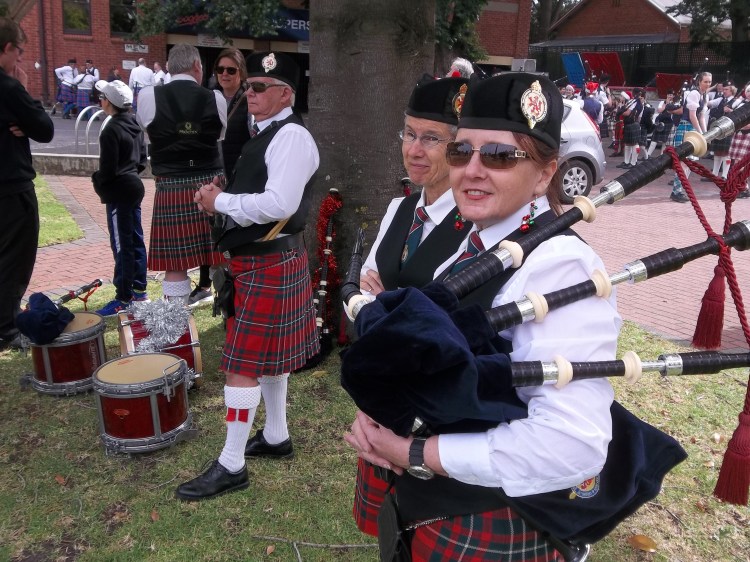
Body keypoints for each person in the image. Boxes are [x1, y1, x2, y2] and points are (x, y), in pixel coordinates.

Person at [345, 72, 621, 561]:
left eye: (498, 155)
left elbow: (571, 444)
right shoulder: (472, 243)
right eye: (461, 151)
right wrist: (382, 408)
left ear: (545, 174)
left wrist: (414, 453)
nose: (471, 170)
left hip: (486, 512)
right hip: (426, 497)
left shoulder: (560, 267)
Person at [174, 51, 320, 501]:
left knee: (242, 366)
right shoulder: (267, 132)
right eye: (249, 86)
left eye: (260, 87)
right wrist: (225, 193)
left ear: (286, 94)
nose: (249, 93)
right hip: (261, 261)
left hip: (270, 262)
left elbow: (280, 204)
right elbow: (263, 192)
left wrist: (221, 203)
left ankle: (231, 464)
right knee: (267, 359)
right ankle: (276, 436)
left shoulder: (291, 136)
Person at [354, 74, 471, 529]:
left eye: (431, 139)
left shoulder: (475, 225)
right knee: (388, 524)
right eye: (409, 134)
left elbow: (444, 323)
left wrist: (383, 303)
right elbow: (362, 292)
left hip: (434, 407)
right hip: (383, 388)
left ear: (458, 147)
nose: (414, 150)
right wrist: (389, 306)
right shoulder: (399, 208)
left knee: (428, 525)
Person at [135, 43, 227, 308]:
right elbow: (219, 135)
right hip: (211, 186)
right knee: (222, 255)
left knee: (175, 264)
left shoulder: (148, 96)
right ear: (197, 66)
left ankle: (175, 321)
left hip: (171, 186)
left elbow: (147, 129)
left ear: (169, 67)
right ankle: (229, 314)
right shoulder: (216, 98)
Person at [0, 17, 55, 350]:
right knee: (14, 258)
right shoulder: (9, 87)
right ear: (7, 48)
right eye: (19, 52)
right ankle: (7, 327)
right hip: (11, 185)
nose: (20, 59)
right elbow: (45, 129)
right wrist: (22, 90)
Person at [184, 48, 253, 308]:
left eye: (231, 70)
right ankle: (208, 286)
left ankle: (236, 292)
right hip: (210, 173)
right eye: (220, 69)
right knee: (210, 232)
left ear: (241, 72)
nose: (224, 74)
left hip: (238, 178)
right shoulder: (208, 98)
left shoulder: (249, 100)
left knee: (234, 236)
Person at [91, 80, 149, 315]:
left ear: (109, 102)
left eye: (102, 97)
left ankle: (124, 297)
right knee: (135, 238)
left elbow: (108, 169)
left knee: (121, 243)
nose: (100, 101)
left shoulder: (111, 129)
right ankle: (139, 290)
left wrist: (97, 180)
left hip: (120, 190)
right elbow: (142, 160)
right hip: (134, 185)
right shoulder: (134, 124)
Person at [670, 72, 712, 203]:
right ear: (699, 81)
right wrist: (700, 133)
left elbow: (701, 117)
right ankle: (676, 191)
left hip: (693, 128)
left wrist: (706, 134)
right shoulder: (694, 93)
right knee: (683, 161)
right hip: (686, 127)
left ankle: (679, 189)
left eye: (709, 82)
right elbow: (692, 116)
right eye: (705, 81)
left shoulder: (704, 96)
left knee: (689, 162)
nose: (708, 84)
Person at [704, 81, 736, 180]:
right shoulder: (720, 99)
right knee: (717, 152)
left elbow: (740, 114)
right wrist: (705, 92)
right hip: (719, 130)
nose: (724, 91)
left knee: (726, 153)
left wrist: (731, 111)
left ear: (732, 91)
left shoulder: (736, 101)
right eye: (724, 89)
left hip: (729, 130)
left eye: (726, 89)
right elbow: (708, 103)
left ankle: (724, 176)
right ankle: (714, 175)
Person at [726, 82, 750, 198]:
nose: (749, 93)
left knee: (742, 163)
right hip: (739, 134)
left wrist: (742, 125)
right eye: (748, 91)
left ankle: (743, 188)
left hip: (748, 136)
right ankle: (742, 187)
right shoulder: (741, 104)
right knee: (736, 162)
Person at [617, 87, 643, 169]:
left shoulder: (634, 102)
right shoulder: (640, 103)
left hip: (631, 123)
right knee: (628, 143)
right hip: (634, 123)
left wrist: (620, 111)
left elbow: (627, 113)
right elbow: (639, 117)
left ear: (633, 93)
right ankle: (627, 162)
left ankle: (633, 163)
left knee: (634, 144)